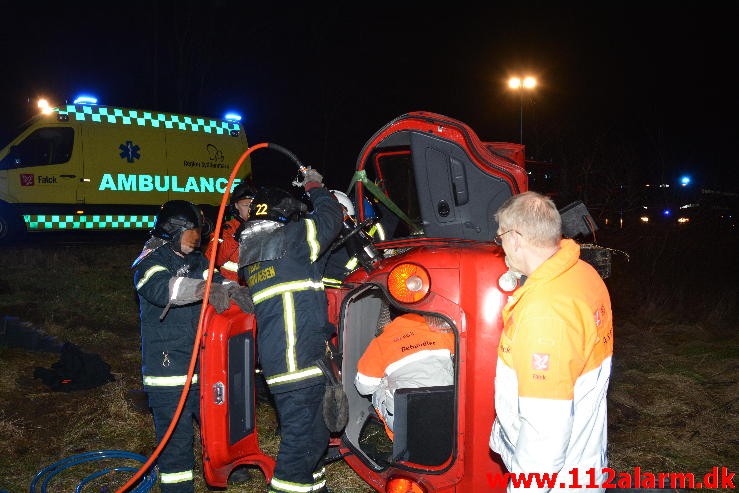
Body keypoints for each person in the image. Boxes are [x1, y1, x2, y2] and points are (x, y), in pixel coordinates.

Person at [488, 191, 614, 493]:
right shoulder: (582, 273)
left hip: (556, 479)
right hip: (584, 455)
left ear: (517, 238)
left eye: (501, 238)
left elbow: (545, 430)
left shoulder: (545, 313)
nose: (501, 246)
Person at [132, 199, 254, 493]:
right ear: (173, 230)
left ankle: (227, 466)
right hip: (168, 370)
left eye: (199, 232)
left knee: (219, 422)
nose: (198, 239)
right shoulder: (149, 261)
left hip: (201, 364)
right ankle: (178, 486)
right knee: (176, 439)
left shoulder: (196, 261)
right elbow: (164, 288)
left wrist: (232, 289)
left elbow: (213, 277)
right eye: (192, 232)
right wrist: (202, 290)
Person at [237, 169, 343, 493]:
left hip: (286, 361)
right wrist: (315, 185)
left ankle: (315, 489)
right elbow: (331, 217)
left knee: (313, 438)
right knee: (298, 449)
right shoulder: (293, 239)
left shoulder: (253, 252)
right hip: (298, 362)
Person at [354, 313, 455, 440]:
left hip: (405, 421)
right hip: (448, 411)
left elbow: (364, 388)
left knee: (378, 384)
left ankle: (396, 437)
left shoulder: (381, 342)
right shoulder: (441, 330)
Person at [204, 180, 256, 283]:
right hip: (233, 289)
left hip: (256, 286)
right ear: (236, 206)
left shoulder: (262, 227)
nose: (250, 209)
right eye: (245, 205)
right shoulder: (226, 229)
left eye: (252, 205)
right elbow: (214, 258)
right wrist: (236, 237)